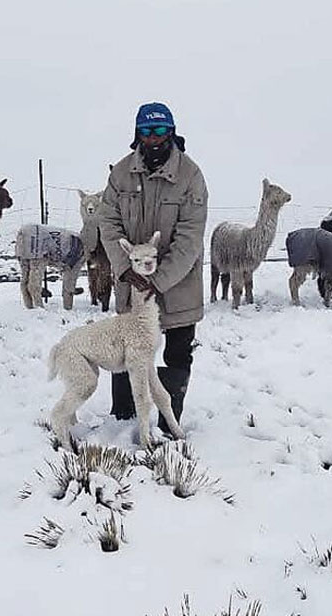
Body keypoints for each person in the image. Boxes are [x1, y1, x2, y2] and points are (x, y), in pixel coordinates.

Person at [97, 102, 208, 431]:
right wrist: (125, 269)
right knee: (126, 348)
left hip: (178, 288)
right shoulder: (120, 174)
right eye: (147, 131)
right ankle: (123, 420)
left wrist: (157, 280)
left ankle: (167, 424)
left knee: (177, 353)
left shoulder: (190, 176)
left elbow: (190, 239)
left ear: (172, 131)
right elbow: (108, 222)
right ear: (137, 134)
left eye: (160, 131)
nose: (154, 138)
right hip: (131, 285)